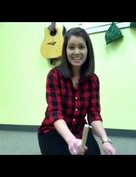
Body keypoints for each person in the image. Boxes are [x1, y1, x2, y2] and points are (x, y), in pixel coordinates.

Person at [38, 27, 116, 155]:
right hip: (53, 131)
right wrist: (72, 141)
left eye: (81, 47)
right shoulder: (54, 75)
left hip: (79, 130)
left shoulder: (93, 80)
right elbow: (55, 113)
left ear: (87, 50)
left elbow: (94, 114)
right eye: (71, 47)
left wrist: (105, 140)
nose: (76, 52)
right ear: (65, 50)